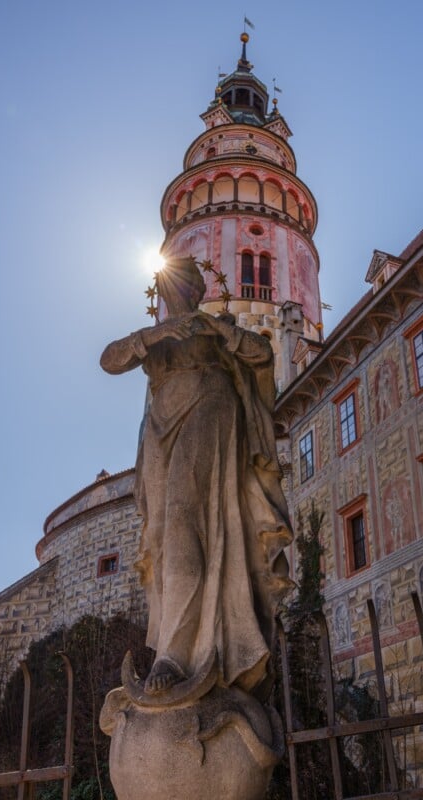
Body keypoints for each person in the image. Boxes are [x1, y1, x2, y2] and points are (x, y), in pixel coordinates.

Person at [100, 256, 292, 698]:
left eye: (182, 286)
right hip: (159, 427)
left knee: (186, 524)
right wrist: (155, 334)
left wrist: (222, 331)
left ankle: (176, 654)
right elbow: (109, 359)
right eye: (168, 286)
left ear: (196, 291)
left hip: (208, 409)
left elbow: (261, 354)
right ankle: (178, 641)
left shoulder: (211, 329)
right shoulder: (156, 338)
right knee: (164, 536)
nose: (174, 293)